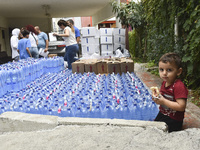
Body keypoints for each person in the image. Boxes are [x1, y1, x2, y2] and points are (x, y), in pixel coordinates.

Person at [152, 53, 188, 132]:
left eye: (169, 70)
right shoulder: (164, 83)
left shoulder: (178, 86)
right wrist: (157, 98)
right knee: (152, 128)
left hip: (174, 119)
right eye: (161, 69)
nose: (164, 73)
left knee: (160, 133)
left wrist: (164, 101)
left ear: (178, 71)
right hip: (163, 113)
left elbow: (181, 107)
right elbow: (163, 99)